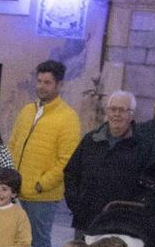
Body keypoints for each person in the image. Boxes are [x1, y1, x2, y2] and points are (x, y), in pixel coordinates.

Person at [6, 59, 82, 247]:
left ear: (59, 84)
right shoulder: (27, 111)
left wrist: (41, 184)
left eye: (47, 82)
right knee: (12, 243)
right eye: (39, 81)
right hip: (16, 192)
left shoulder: (67, 118)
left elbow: (66, 161)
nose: (41, 86)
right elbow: (13, 144)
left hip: (42, 197)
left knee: (40, 246)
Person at [63, 91, 150, 235]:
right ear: (107, 112)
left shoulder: (142, 147)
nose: (116, 114)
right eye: (113, 109)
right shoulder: (91, 140)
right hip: (86, 221)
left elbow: (147, 186)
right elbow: (71, 172)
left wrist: (131, 213)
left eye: (122, 110)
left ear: (131, 114)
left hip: (119, 226)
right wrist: (76, 204)